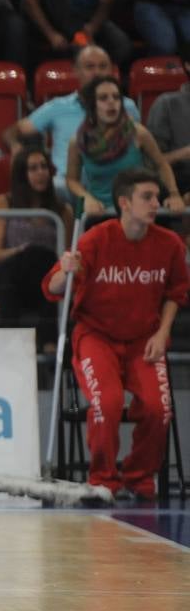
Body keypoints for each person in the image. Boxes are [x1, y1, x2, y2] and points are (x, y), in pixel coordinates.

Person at [44, 168, 189, 501]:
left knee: (158, 408)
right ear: (125, 202)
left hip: (144, 339)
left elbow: (177, 293)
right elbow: (53, 287)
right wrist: (66, 271)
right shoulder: (96, 239)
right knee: (106, 403)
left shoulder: (169, 244)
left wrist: (163, 331)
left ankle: (138, 476)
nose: (156, 203)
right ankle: (103, 479)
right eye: (147, 197)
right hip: (97, 336)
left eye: (157, 196)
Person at [1, 45, 139, 201]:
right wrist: (14, 145)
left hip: (113, 181)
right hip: (67, 185)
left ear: (111, 71)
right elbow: (13, 131)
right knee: (54, 188)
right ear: (76, 71)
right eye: (89, 67)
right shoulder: (58, 107)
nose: (97, 72)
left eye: (103, 66)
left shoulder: (127, 107)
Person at [0, 147, 72, 347]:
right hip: (8, 277)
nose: (41, 172)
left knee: (51, 268)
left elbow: (65, 258)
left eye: (44, 167)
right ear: (22, 174)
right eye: (33, 168)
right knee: (26, 259)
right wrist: (21, 251)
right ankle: (11, 342)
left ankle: (50, 345)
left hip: (43, 281)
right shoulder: (4, 203)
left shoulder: (62, 211)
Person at [65, 75, 184, 218]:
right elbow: (71, 180)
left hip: (136, 211)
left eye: (116, 97)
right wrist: (86, 197)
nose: (111, 102)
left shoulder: (138, 133)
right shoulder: (78, 141)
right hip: (99, 211)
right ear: (92, 105)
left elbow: (161, 164)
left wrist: (174, 194)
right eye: (103, 98)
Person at [147, 49, 190, 193]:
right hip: (176, 189)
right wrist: (184, 153)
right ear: (188, 65)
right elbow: (151, 163)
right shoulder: (166, 104)